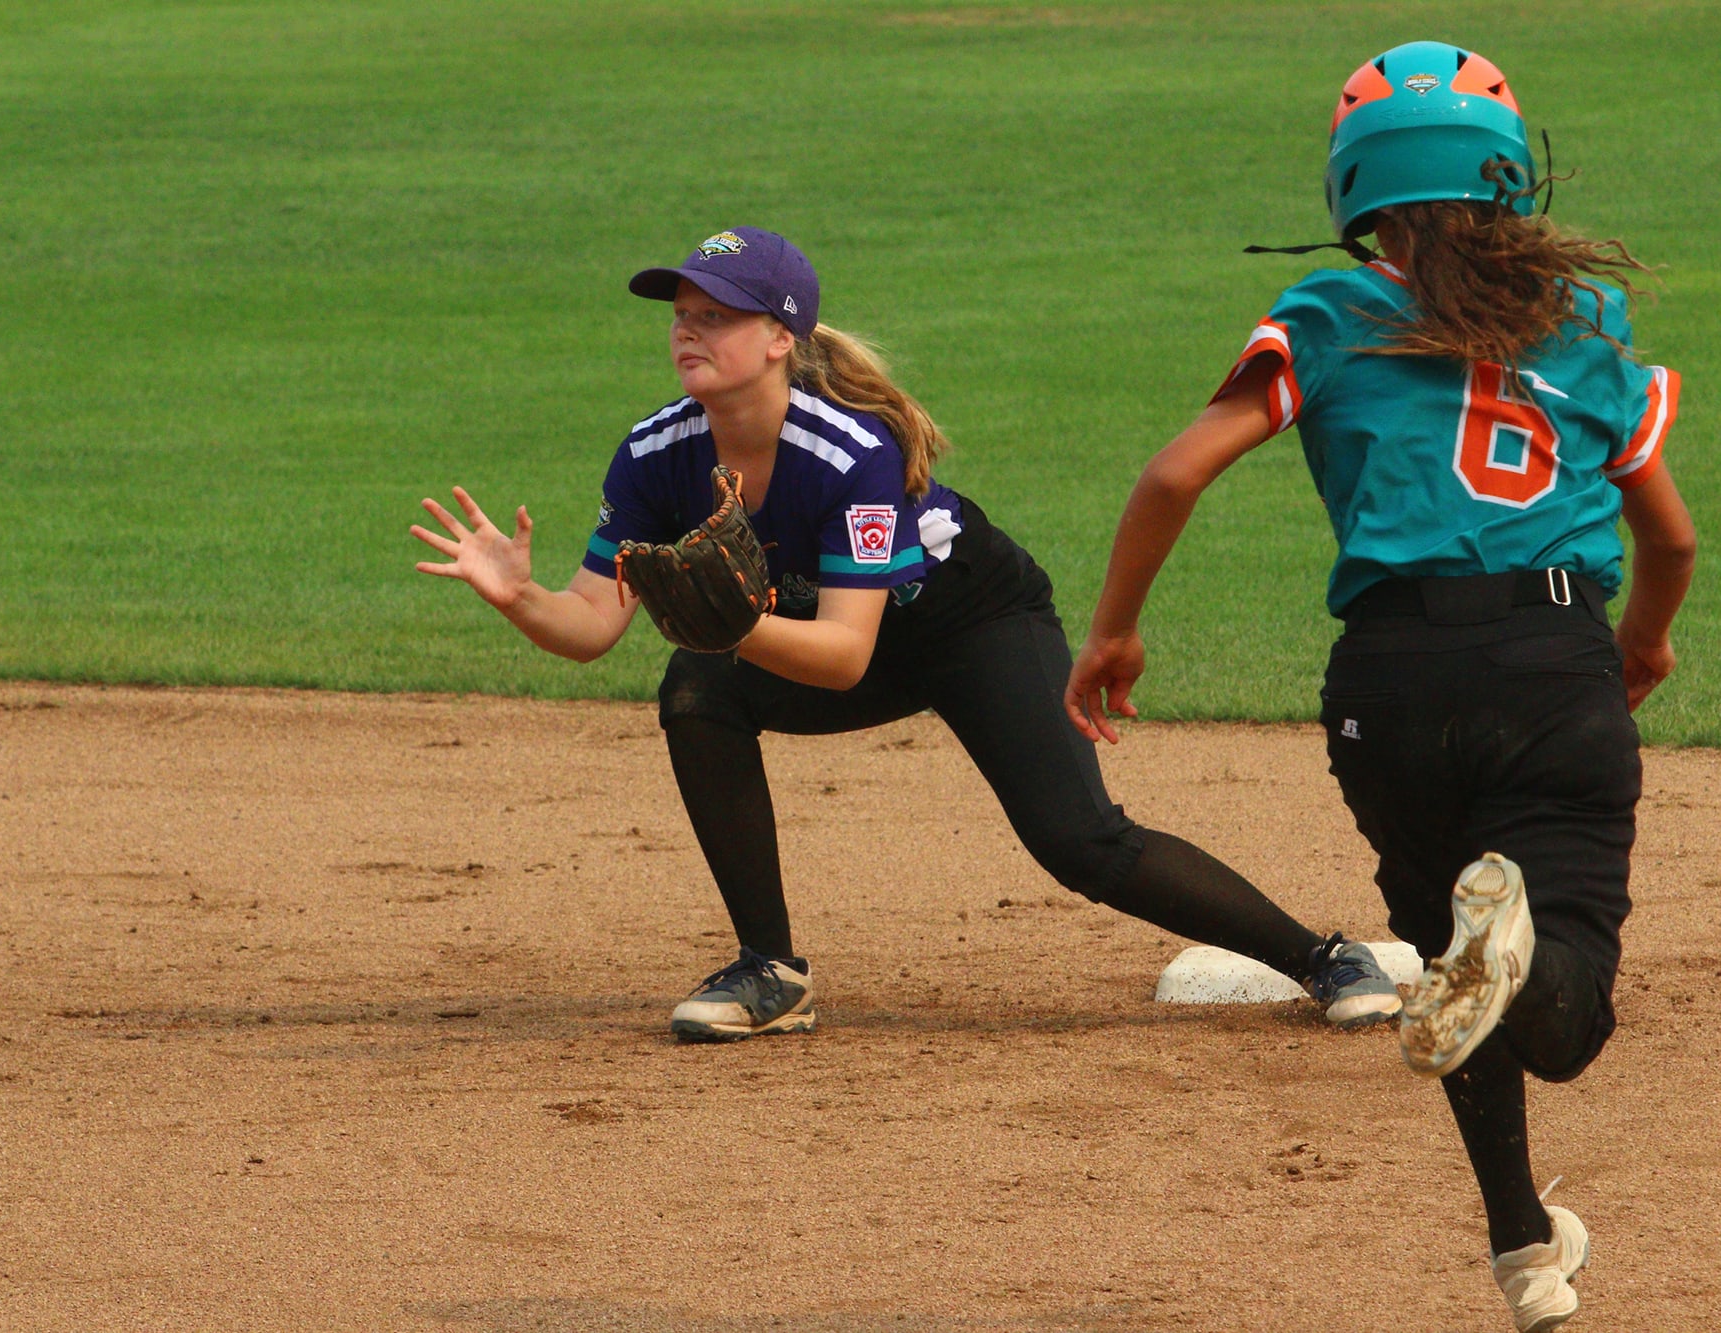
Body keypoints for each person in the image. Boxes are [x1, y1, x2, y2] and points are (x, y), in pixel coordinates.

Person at [1064, 43, 1695, 1333]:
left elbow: (1174, 473)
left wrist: (1115, 633)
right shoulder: (1581, 327)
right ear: (1507, 174)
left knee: (1455, 965)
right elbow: (1671, 542)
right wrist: (1642, 641)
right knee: (1552, 1008)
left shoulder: (1327, 311)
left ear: (1352, 186)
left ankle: (1520, 1249)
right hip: (1550, 661)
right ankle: (1519, 956)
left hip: (1384, 689)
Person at [410, 225, 1402, 1042]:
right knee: (694, 688)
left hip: (968, 623)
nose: (687, 331)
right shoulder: (653, 453)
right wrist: (517, 596)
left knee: (1078, 841)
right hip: (823, 630)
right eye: (680, 315)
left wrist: (731, 622)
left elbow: (844, 657)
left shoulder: (845, 452)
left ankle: (1321, 958)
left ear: (777, 340)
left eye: (715, 315)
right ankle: (771, 969)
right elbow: (588, 627)